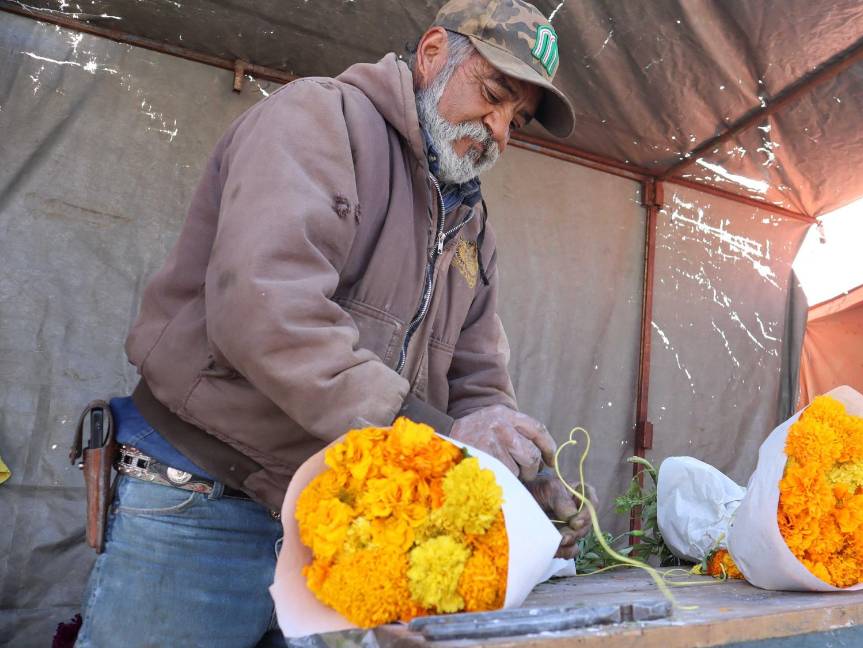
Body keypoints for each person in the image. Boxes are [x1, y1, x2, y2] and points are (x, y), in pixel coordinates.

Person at [76, 1, 593, 645]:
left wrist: (516, 475)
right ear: (433, 53)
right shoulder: (320, 119)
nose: (499, 129)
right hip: (201, 499)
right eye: (492, 95)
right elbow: (266, 311)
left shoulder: (471, 225)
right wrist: (438, 435)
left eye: (516, 119)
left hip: (341, 527)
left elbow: (478, 380)